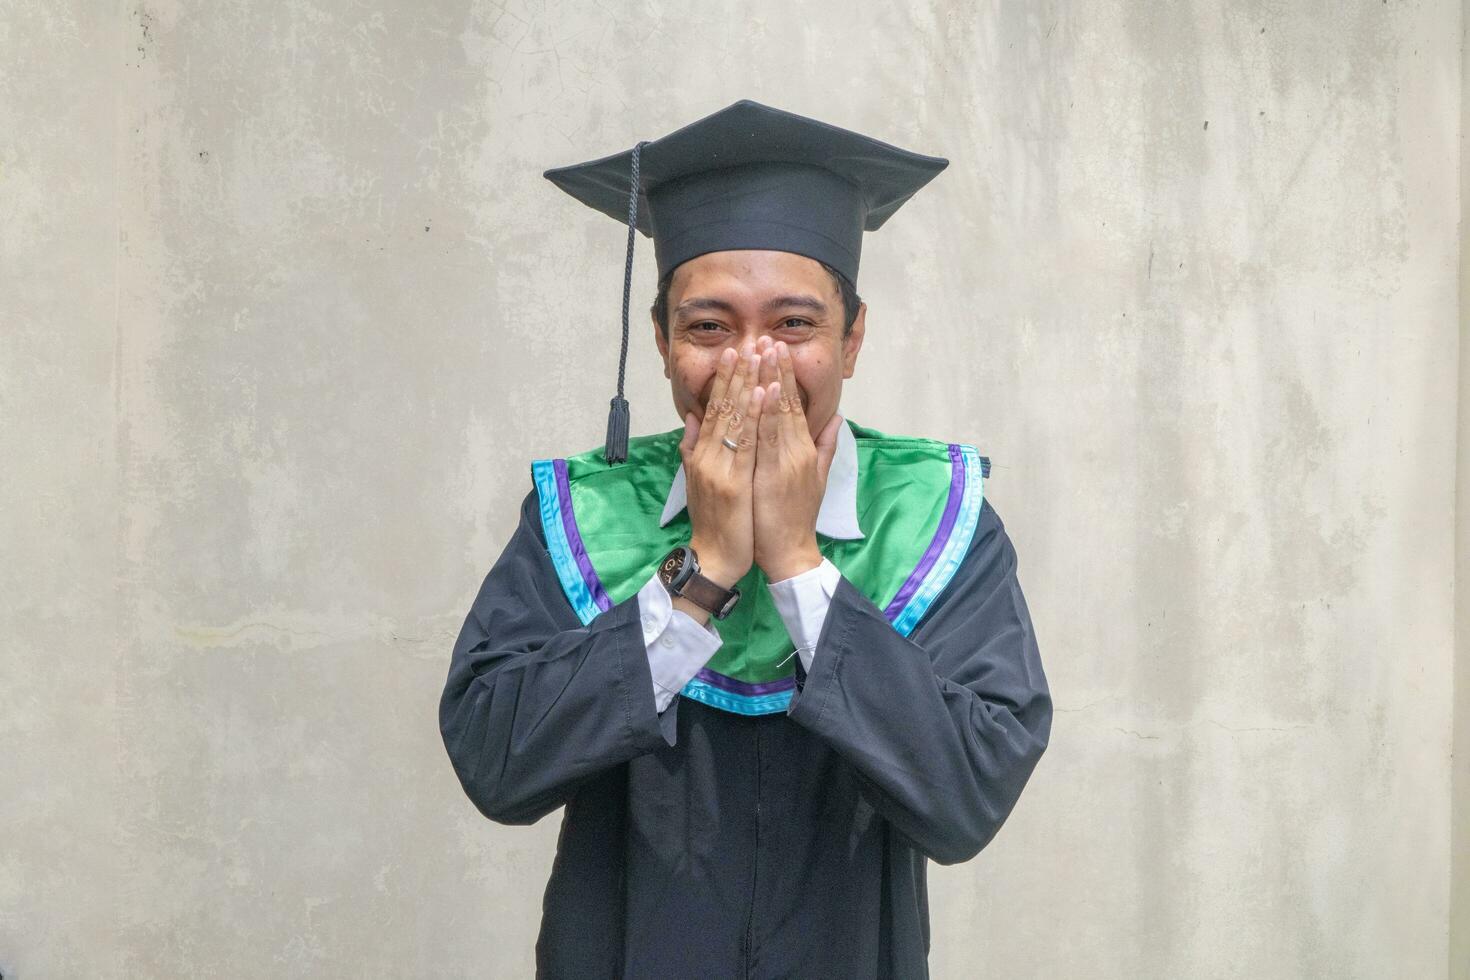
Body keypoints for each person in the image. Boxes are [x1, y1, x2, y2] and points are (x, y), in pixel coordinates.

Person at [438, 99, 1052, 979]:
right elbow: (498, 765)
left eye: (794, 325)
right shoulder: (582, 515)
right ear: (660, 342)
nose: (750, 365)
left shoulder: (937, 518)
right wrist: (705, 573)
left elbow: (966, 797)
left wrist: (800, 562)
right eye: (708, 326)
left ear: (853, 340)